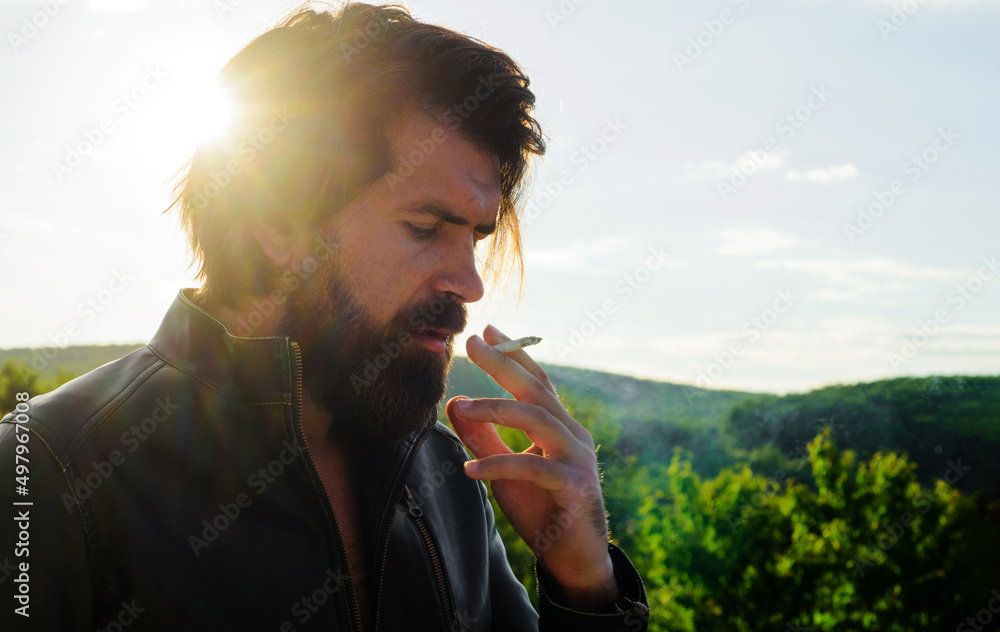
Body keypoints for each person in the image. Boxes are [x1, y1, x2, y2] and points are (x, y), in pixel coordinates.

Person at [0, 3, 649, 630]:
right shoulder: (44, 472)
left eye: (476, 238)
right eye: (424, 228)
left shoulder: (444, 473)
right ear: (278, 221)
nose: (472, 284)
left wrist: (583, 582)